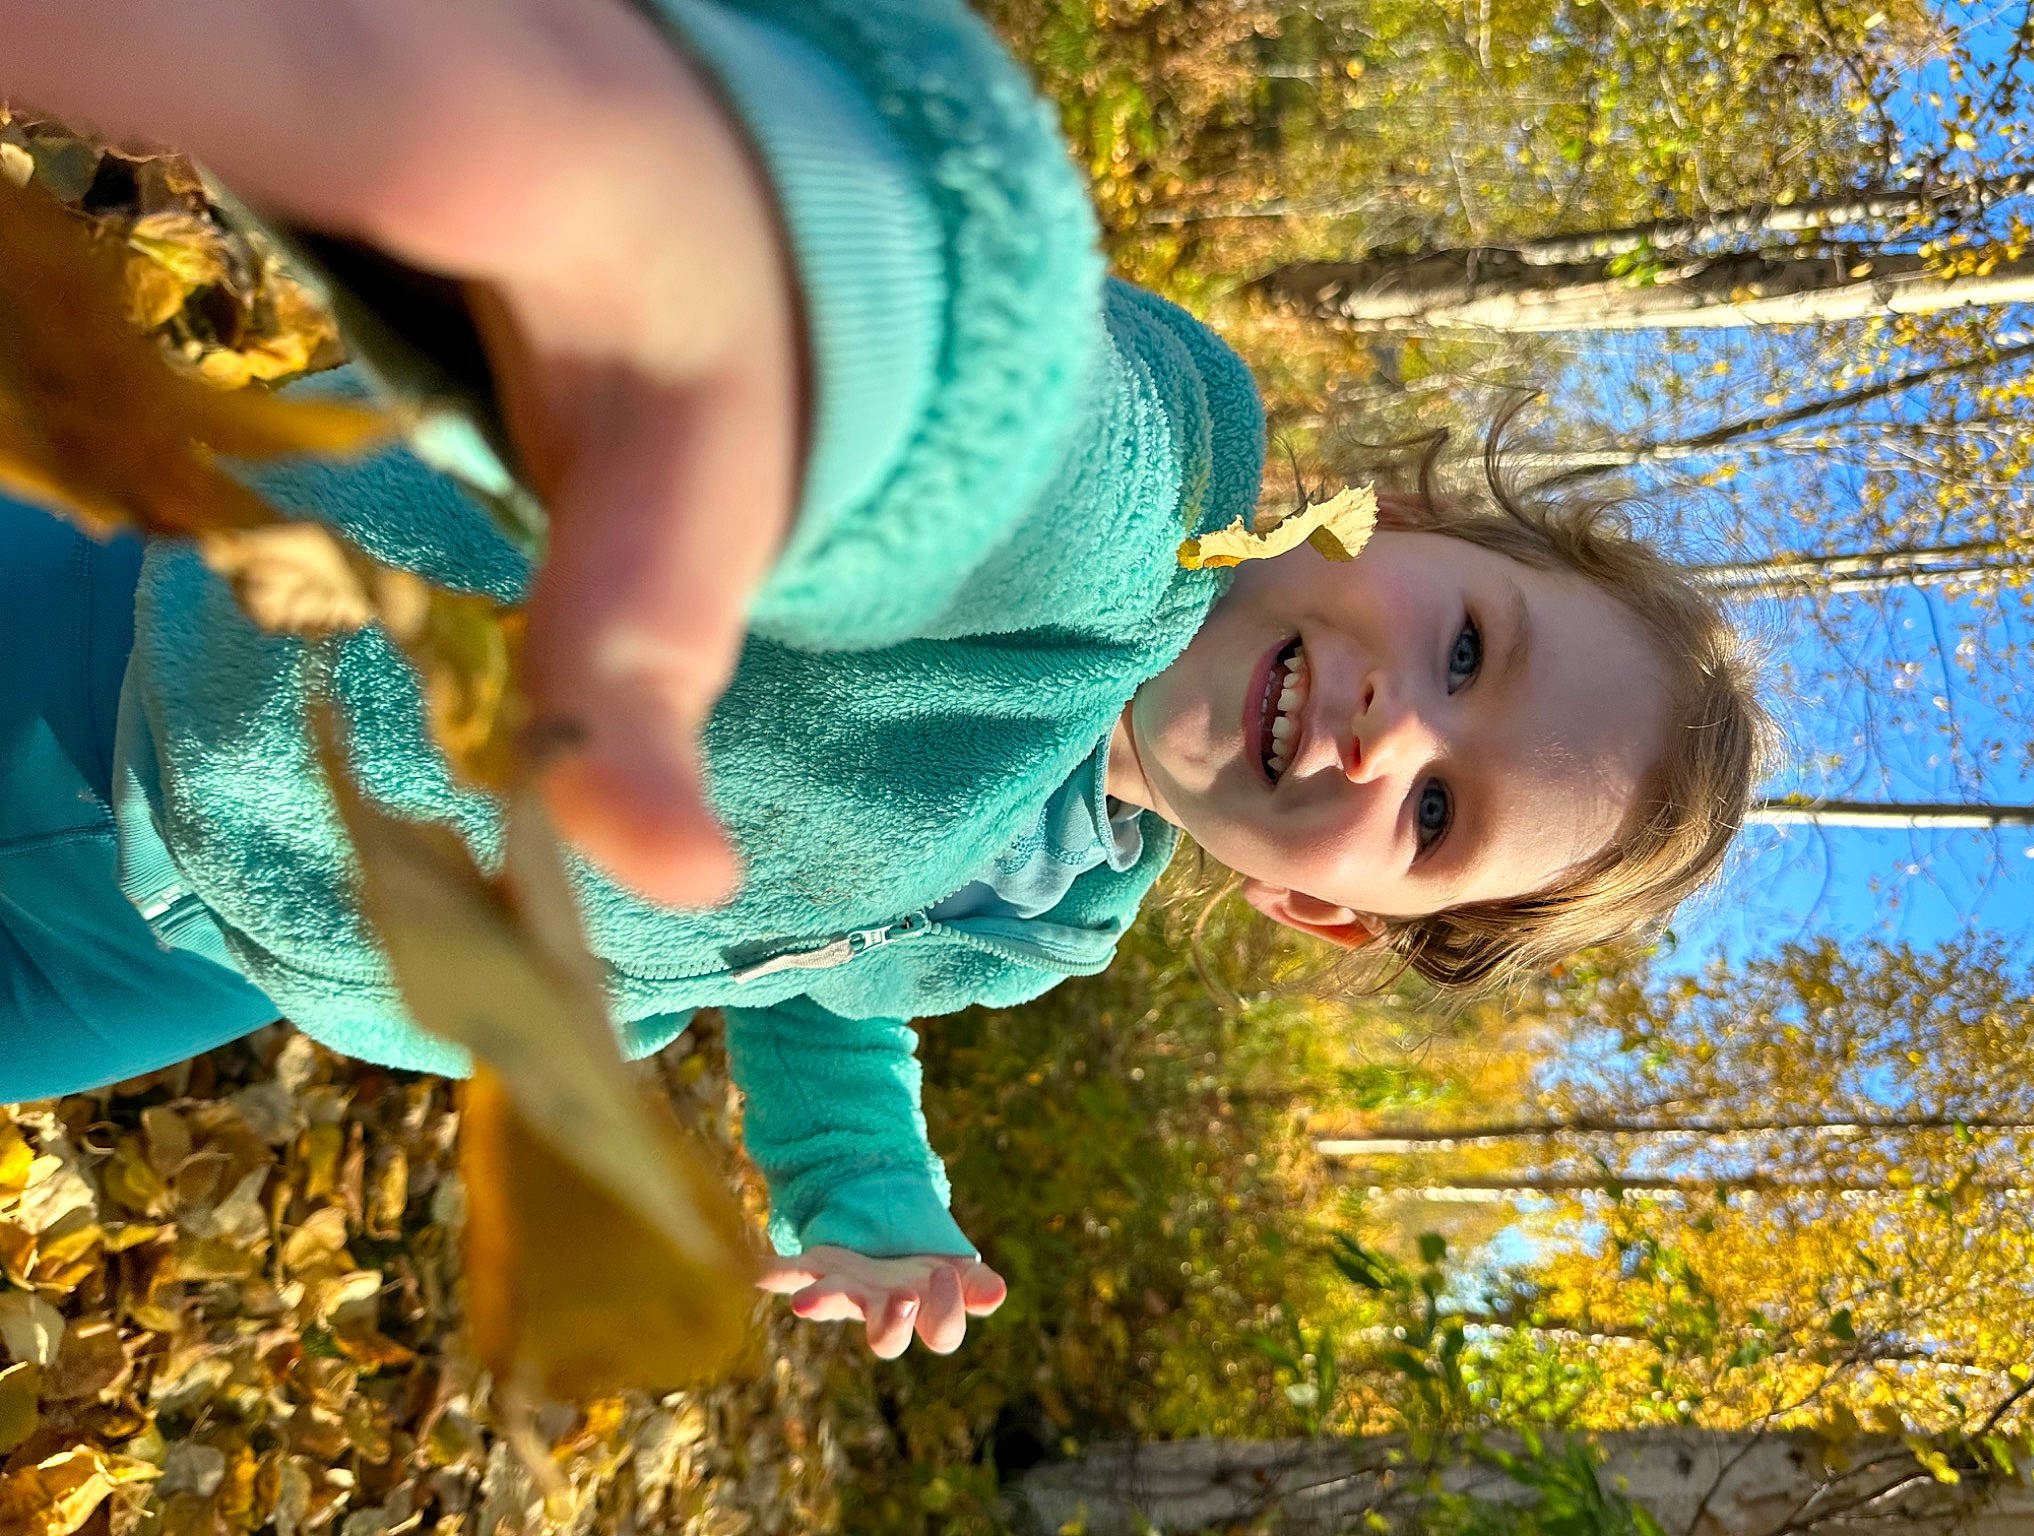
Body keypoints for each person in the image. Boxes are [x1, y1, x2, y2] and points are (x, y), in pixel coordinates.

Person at [0, 0, 1765, 1360]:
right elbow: (997, 444)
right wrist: (813, 330)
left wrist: (868, 1196)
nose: (1408, 733)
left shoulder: (1056, 910)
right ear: (1385, 521)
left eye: (1443, 814)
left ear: (1324, 912)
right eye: (1469, 645)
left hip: (212, 941)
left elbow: (824, 980)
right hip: (166, 639)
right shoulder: (1151, 508)